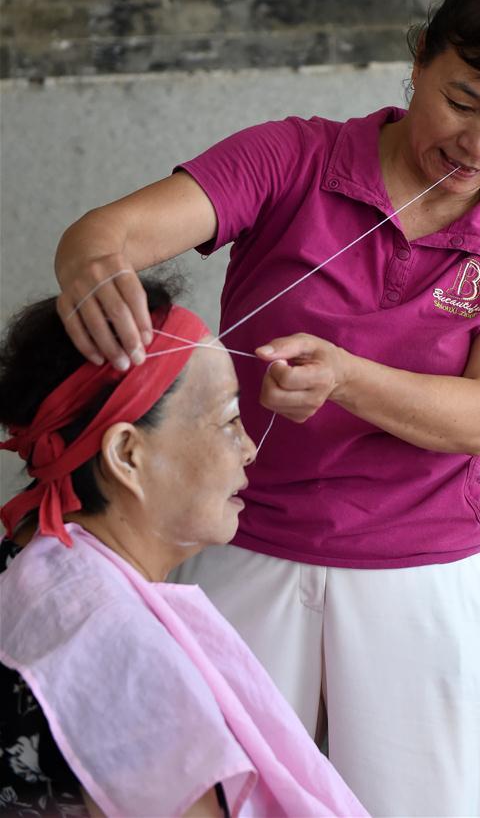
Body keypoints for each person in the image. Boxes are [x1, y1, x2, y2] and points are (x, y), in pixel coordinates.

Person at [52, 0, 480, 816]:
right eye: (461, 102)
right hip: (244, 541)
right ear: (418, 59)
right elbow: (109, 233)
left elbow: (478, 416)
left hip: (424, 568)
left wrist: (344, 377)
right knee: (220, 799)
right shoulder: (290, 158)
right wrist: (91, 261)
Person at [0, 279, 368, 818]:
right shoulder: (122, 655)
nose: (247, 449)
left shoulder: (24, 563)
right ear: (127, 453)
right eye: (228, 420)